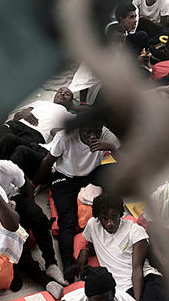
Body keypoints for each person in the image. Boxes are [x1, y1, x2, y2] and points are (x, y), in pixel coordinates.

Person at [35, 113, 120, 274]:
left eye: (97, 132)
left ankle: (110, 247)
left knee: (113, 192)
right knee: (67, 219)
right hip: (65, 177)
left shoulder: (107, 136)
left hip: (91, 174)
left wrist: (111, 148)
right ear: (80, 129)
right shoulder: (65, 137)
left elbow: (126, 165)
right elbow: (47, 162)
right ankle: (68, 264)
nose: (93, 136)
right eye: (88, 132)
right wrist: (34, 184)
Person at [0, 147, 67, 287]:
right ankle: (43, 280)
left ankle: (51, 263)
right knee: (12, 236)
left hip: (12, 199)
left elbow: (26, 186)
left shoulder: (8, 167)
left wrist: (30, 212)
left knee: (36, 215)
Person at [0, 87, 75, 168]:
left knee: (10, 148)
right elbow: (17, 116)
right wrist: (23, 113)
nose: (62, 94)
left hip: (37, 134)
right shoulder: (41, 102)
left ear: (71, 101)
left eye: (67, 94)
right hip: (16, 125)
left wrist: (74, 107)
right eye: (60, 91)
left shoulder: (70, 116)